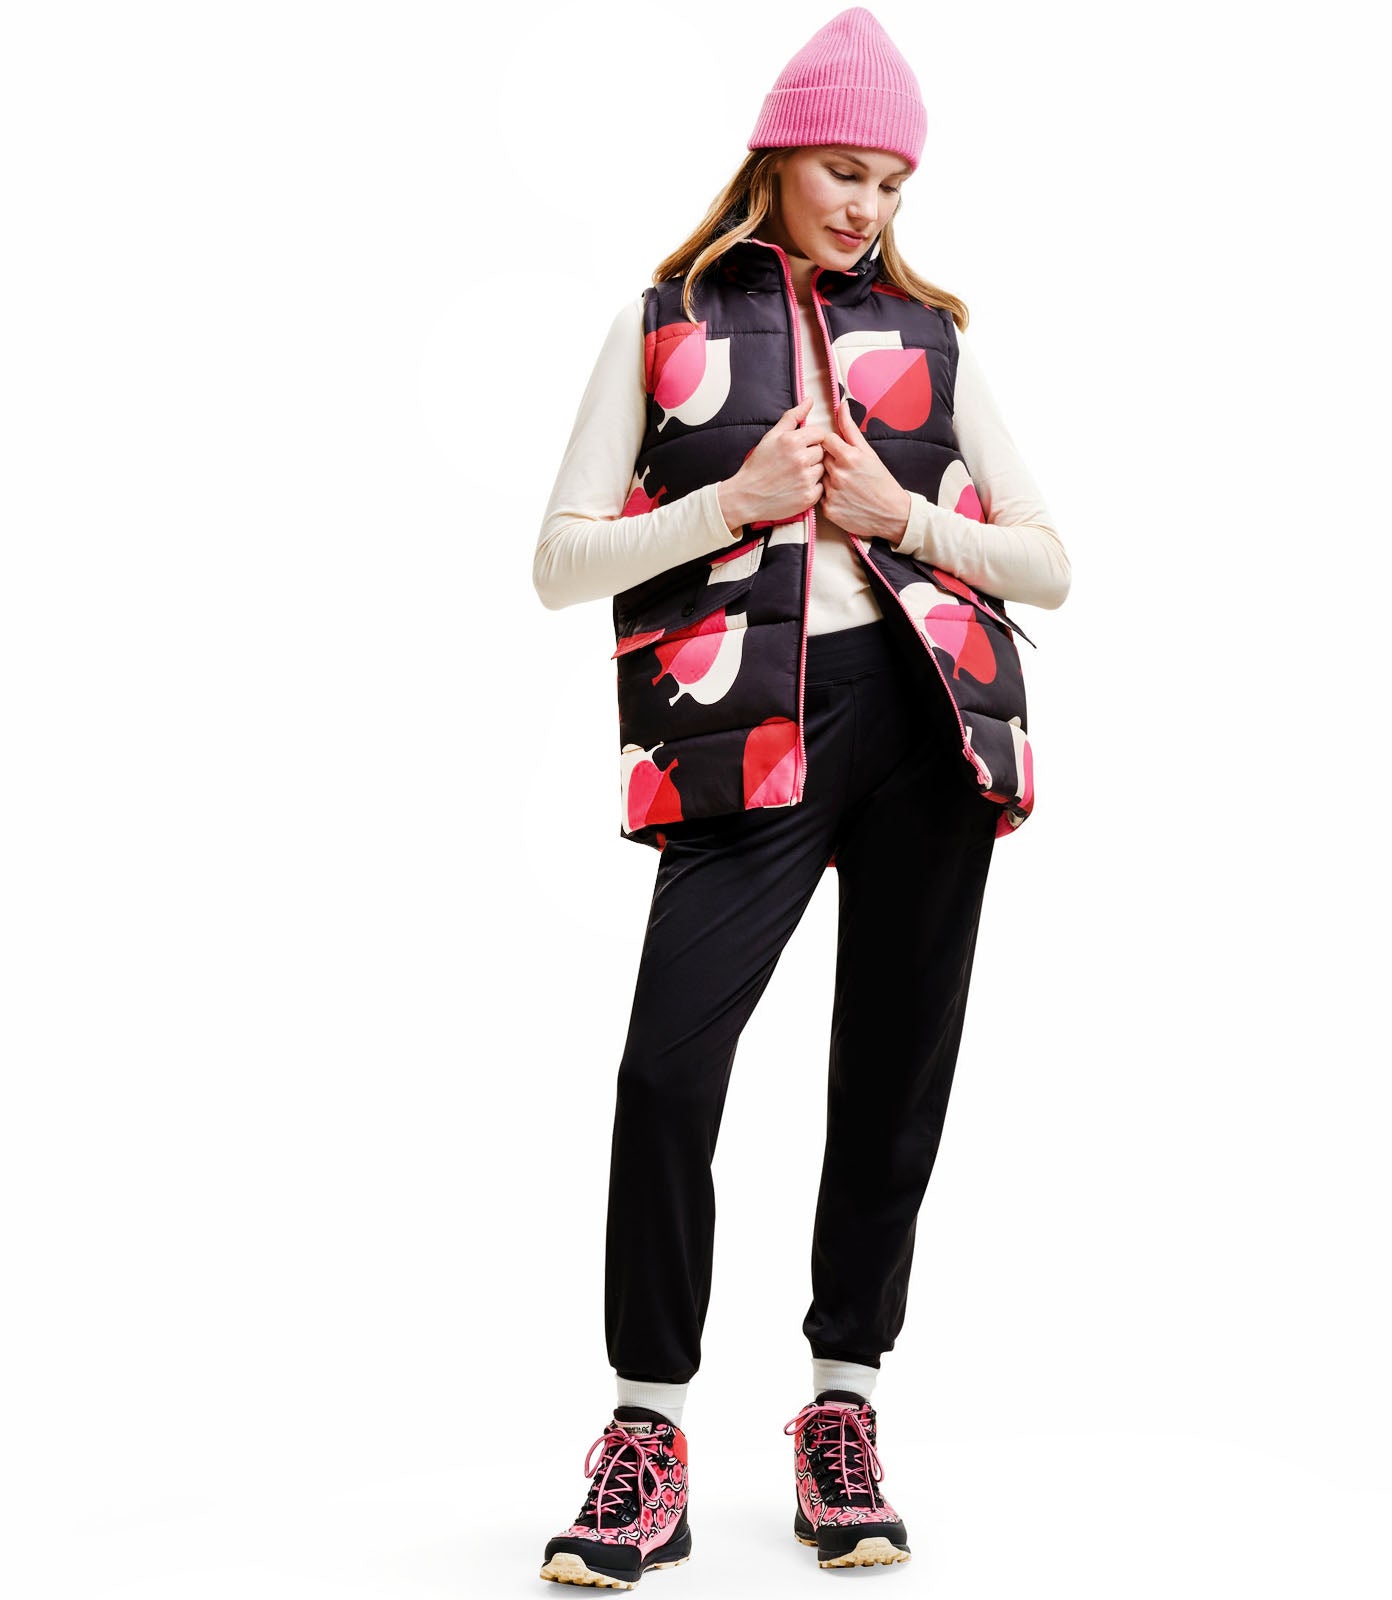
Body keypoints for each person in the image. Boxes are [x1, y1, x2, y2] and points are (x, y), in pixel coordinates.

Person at [531, 7, 1070, 1586]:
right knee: (667, 1072)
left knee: (893, 1076)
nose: (867, 206)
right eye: (846, 171)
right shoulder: (662, 324)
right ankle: (645, 1433)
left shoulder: (935, 339)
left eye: (892, 184)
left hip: (923, 730)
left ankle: (846, 1408)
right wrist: (735, 501)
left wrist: (906, 517)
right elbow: (558, 562)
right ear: (777, 156)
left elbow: (1050, 562)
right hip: (742, 731)